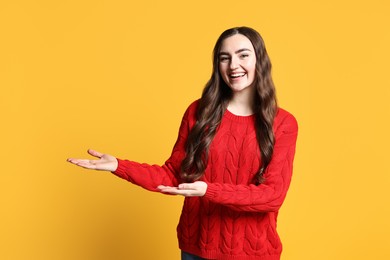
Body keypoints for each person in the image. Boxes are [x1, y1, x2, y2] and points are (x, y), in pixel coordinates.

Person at [67, 26, 298, 260]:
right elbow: (174, 175)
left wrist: (209, 190)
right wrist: (119, 166)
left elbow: (272, 195)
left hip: (252, 253)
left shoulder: (283, 123)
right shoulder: (199, 112)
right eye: (224, 58)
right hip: (196, 248)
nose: (233, 65)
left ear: (260, 59)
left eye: (243, 55)